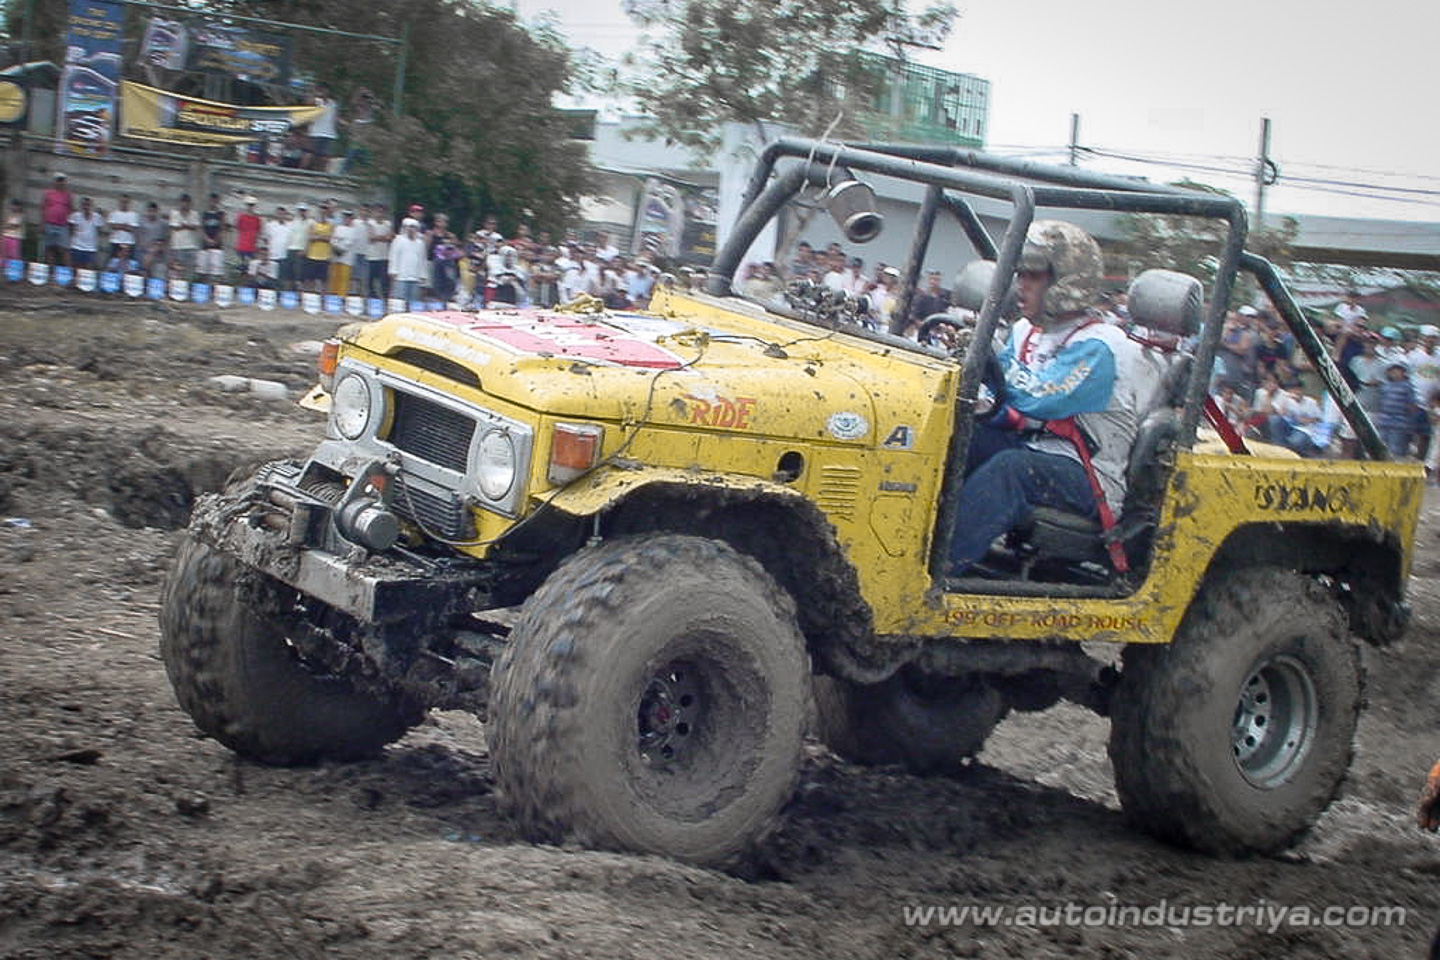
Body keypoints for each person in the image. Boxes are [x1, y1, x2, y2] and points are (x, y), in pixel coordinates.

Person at [946, 221, 1162, 578]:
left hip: (1087, 473)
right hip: (1034, 447)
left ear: (1066, 281)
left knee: (1011, 471)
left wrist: (985, 364)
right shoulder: (1025, 331)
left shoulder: (1102, 345)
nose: (1022, 284)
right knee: (955, 436)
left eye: (1034, 275)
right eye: (1021, 274)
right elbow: (1002, 401)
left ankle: (937, 572)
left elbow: (1041, 401)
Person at [1376, 360, 1417, 458]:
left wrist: (1410, 422)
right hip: (1384, 420)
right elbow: (1381, 402)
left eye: (1398, 371)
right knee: (1381, 446)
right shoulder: (1385, 386)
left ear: (1404, 373)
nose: (1395, 373)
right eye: (1393, 371)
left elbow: (1412, 405)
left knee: (1395, 448)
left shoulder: (1407, 386)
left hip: (1399, 421)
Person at [388, 218, 427, 304]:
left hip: (415, 277)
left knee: (413, 301)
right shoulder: (398, 240)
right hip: (401, 276)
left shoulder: (420, 243)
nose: (411, 229)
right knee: (399, 301)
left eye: (413, 227)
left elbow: (422, 260)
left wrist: (423, 275)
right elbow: (393, 256)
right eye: (409, 227)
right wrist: (393, 271)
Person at [42, 173, 74, 266]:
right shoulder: (47, 193)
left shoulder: (68, 195)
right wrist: (42, 224)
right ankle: (51, 270)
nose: (60, 183)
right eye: (58, 180)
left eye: (62, 180)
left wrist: (70, 226)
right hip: (49, 223)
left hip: (63, 225)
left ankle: (67, 272)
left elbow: (70, 209)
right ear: (54, 181)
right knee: (49, 247)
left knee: (64, 249)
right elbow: (43, 208)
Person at [168, 193, 201, 280]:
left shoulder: (194, 214)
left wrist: (184, 226)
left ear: (190, 203)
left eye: (187, 202)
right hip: (178, 246)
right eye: (183, 202)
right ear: (180, 203)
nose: (185, 204)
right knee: (178, 270)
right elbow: (174, 227)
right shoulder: (174, 213)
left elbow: (195, 227)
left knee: (190, 271)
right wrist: (187, 226)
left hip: (191, 246)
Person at [67, 196, 105, 269]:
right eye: (84, 205)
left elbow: (99, 231)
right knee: (75, 269)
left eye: (88, 205)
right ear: (81, 206)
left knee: (88, 271)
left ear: (91, 206)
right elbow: (70, 229)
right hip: (77, 246)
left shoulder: (97, 217)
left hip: (91, 248)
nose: (86, 207)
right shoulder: (75, 215)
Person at [196, 193, 227, 282]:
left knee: (216, 271)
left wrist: (216, 240)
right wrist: (207, 239)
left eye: (215, 201)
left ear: (218, 201)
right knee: (203, 271)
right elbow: (201, 228)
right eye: (211, 201)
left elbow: (223, 228)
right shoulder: (204, 214)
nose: (213, 203)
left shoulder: (221, 214)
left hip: (217, 246)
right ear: (209, 201)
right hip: (205, 245)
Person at [105, 194, 138, 265]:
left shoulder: (133, 214)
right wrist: (125, 226)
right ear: (119, 202)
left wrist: (119, 226)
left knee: (128, 264)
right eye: (122, 202)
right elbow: (112, 226)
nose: (124, 204)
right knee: (113, 263)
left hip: (129, 243)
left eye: (126, 202)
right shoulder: (114, 213)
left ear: (129, 203)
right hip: (115, 242)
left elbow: (133, 228)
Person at [233, 196, 262, 276]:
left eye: (252, 205)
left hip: (252, 247)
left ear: (254, 206)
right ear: (246, 205)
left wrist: (257, 244)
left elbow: (258, 232)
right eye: (249, 205)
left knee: (251, 270)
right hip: (241, 246)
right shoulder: (241, 216)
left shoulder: (257, 218)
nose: (250, 207)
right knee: (240, 269)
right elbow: (237, 229)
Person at [4, 198, 25, 263]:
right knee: (4, 255)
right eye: (13, 205)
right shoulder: (8, 214)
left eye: (16, 205)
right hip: (6, 236)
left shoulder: (21, 215)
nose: (14, 207)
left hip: (15, 238)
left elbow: (14, 225)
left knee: (14, 256)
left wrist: (5, 227)